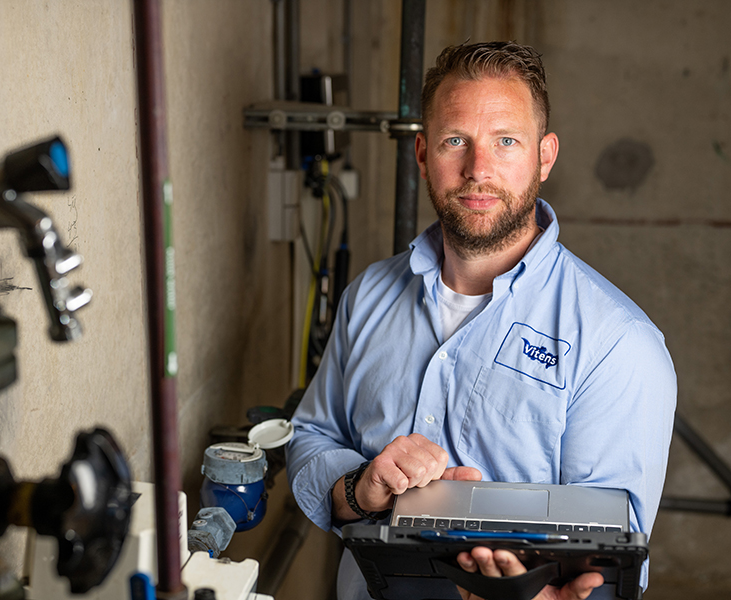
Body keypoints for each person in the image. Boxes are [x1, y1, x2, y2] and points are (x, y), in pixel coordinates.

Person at [286, 41, 676, 600]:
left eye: (506, 141)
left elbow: (613, 562)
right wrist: (361, 487)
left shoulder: (619, 345)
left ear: (545, 156)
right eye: (455, 141)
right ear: (422, 154)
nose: (478, 169)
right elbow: (313, 439)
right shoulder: (368, 296)